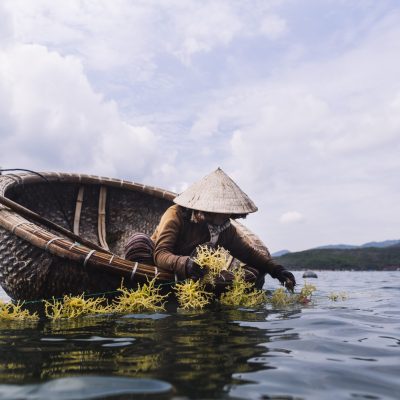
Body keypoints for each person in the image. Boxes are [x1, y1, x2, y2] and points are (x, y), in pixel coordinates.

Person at [125, 168, 296, 290]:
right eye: (220, 211)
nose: (225, 216)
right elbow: (161, 254)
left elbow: (248, 254)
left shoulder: (224, 228)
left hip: (195, 273)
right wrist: (186, 264)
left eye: (228, 211)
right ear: (206, 209)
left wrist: (276, 270)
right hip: (161, 266)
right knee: (138, 242)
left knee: (252, 271)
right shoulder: (175, 214)